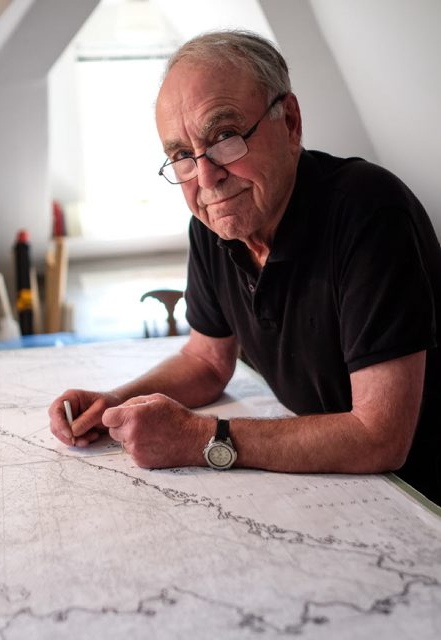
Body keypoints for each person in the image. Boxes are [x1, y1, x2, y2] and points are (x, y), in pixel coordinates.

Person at [49, 30, 441, 505]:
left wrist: (199, 439)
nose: (207, 177)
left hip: (416, 499)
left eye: (225, 137)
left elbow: (380, 435)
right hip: (331, 485)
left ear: (291, 122)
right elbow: (207, 361)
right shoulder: (215, 226)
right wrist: (114, 402)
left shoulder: (370, 210)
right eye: (182, 156)